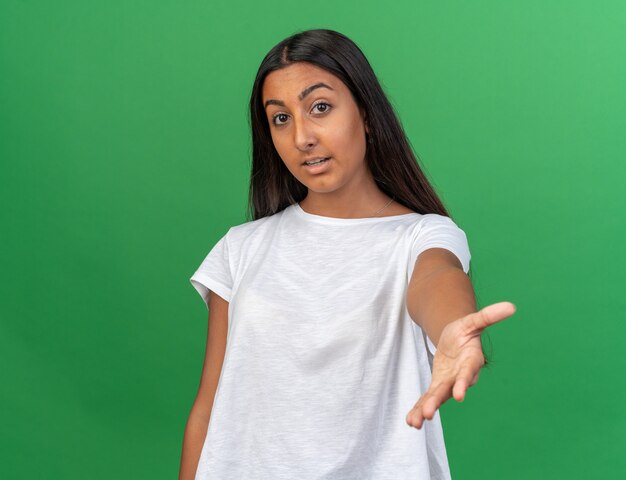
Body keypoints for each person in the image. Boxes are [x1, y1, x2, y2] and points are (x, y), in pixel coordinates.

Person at [179, 28, 516, 480]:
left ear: (367, 114)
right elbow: (208, 408)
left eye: (320, 108)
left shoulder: (421, 236)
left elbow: (436, 278)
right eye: (280, 119)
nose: (302, 137)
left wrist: (452, 327)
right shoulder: (241, 248)